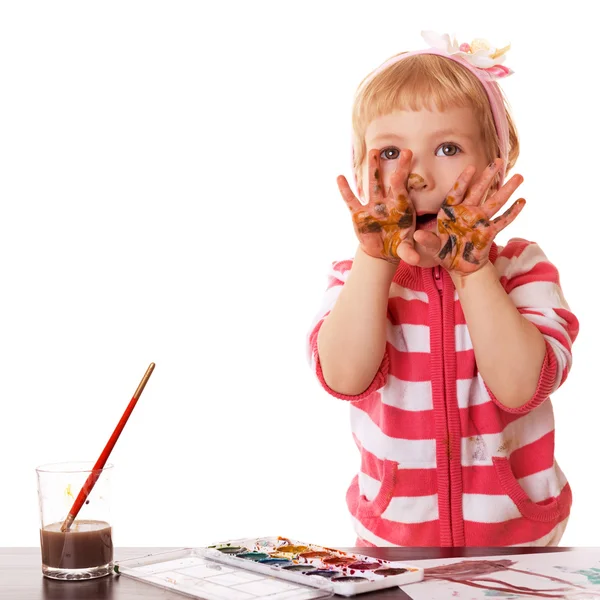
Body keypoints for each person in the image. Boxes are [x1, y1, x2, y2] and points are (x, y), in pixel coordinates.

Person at [306, 31, 579, 547]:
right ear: (364, 169)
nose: (418, 175)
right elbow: (342, 377)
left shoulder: (522, 268)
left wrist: (473, 273)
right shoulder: (354, 276)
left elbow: (522, 388)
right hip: (392, 545)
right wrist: (374, 263)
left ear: (498, 161)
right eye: (390, 152)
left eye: (448, 147)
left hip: (519, 546)